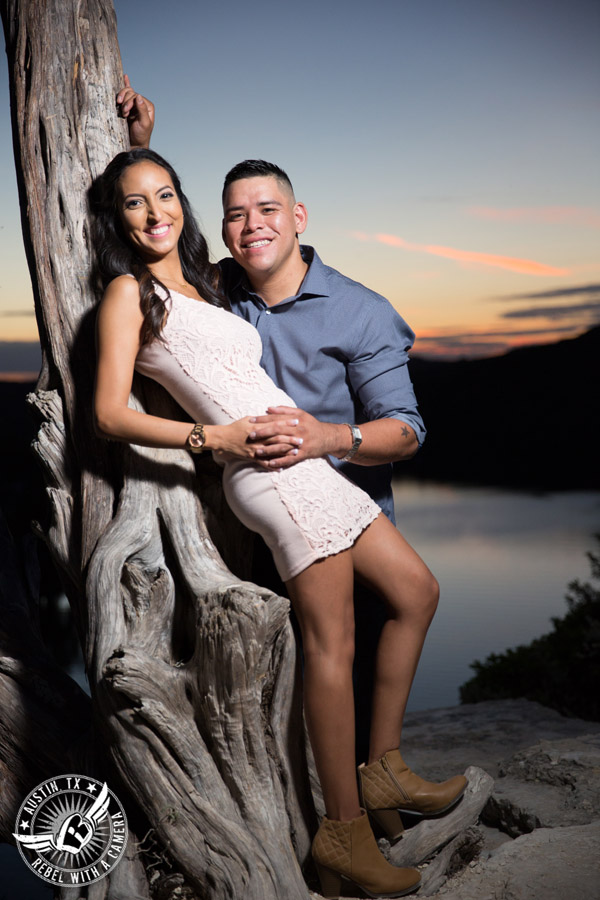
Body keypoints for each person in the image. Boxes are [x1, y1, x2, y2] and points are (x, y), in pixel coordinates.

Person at [92, 149, 467, 899]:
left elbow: (400, 422)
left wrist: (147, 134)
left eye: (166, 194)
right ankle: (343, 834)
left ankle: (384, 766)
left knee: (418, 592)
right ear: (118, 220)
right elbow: (107, 414)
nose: (156, 211)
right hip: (268, 474)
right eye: (135, 203)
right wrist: (213, 439)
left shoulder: (207, 280)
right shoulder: (127, 296)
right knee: (334, 647)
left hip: (314, 467)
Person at [116, 83, 428, 768]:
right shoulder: (218, 288)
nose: (252, 224)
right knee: (273, 693)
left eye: (267, 210)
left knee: (364, 648)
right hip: (252, 516)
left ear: (298, 217)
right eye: (236, 215)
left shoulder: (361, 311)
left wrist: (328, 437)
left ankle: (385, 777)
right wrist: (140, 151)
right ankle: (332, 821)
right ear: (223, 227)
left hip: (345, 507)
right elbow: (153, 230)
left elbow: (406, 431)